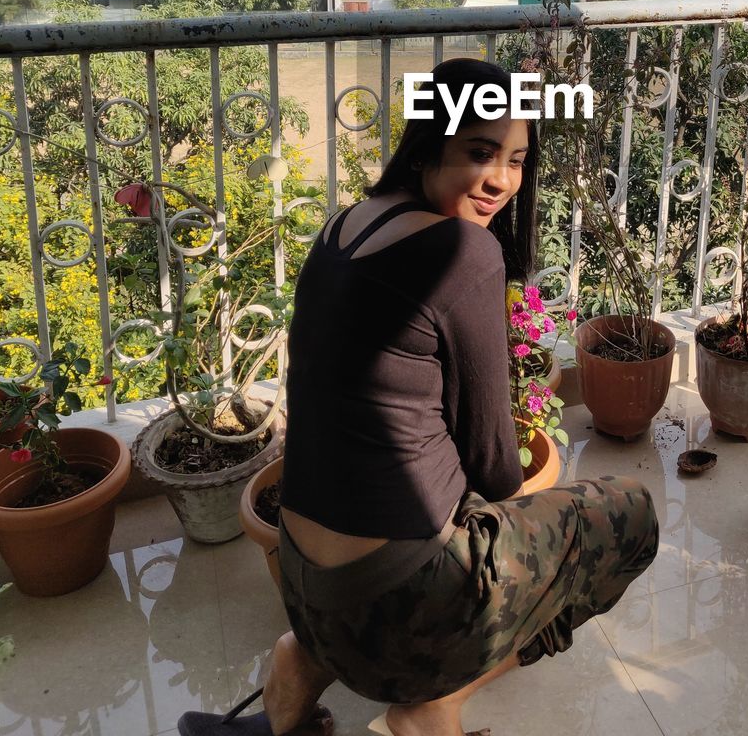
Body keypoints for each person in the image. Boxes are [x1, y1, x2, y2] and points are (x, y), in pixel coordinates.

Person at [178, 59, 659, 736]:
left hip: (302, 587)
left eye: (517, 161)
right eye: (480, 152)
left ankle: (297, 669)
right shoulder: (463, 252)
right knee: (629, 515)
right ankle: (436, 706)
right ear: (431, 141)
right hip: (395, 610)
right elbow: (495, 467)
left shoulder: (344, 227)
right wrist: (528, 564)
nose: (500, 180)